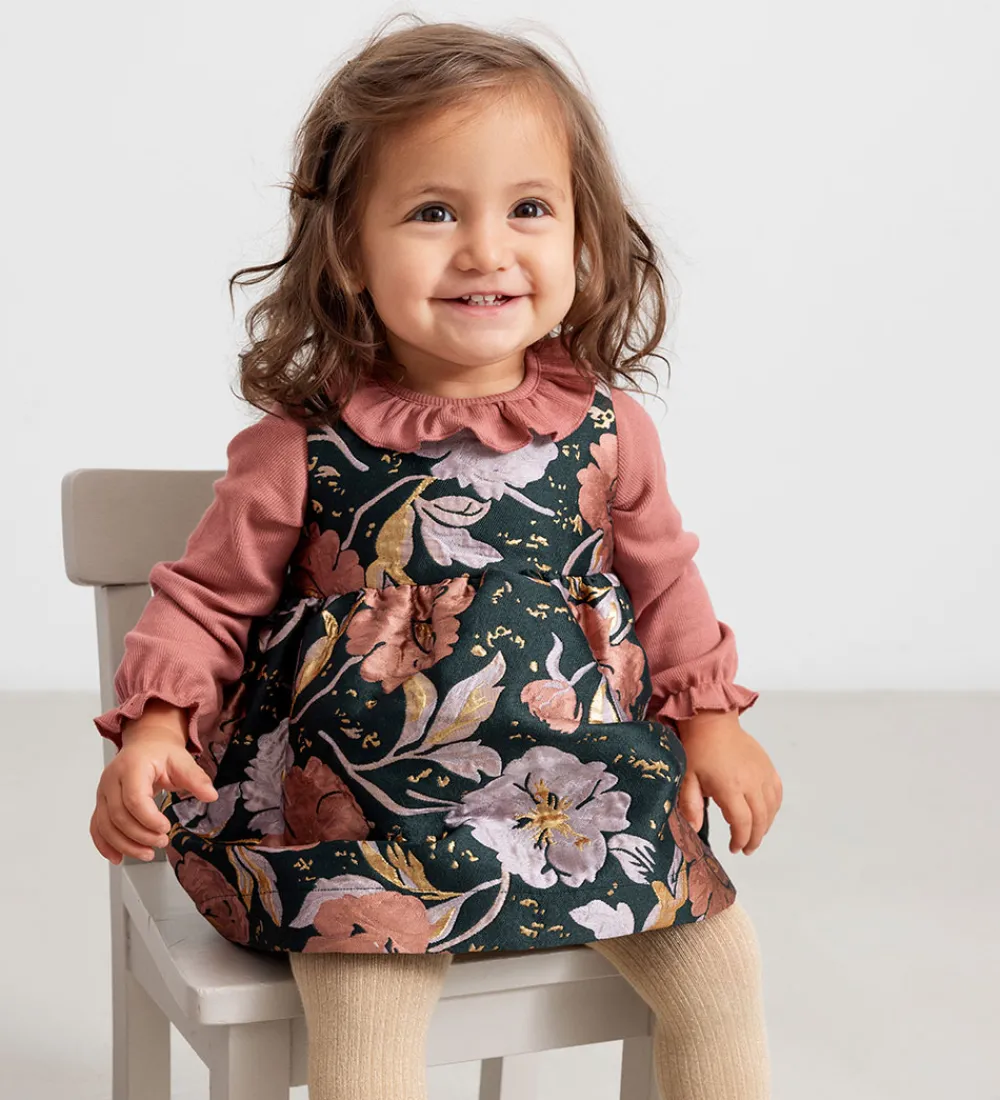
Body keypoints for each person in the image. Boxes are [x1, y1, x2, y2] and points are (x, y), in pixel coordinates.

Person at [89, 15, 782, 1099]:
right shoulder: (303, 445)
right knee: (365, 1015)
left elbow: (666, 586)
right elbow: (206, 600)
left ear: (584, 236)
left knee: (718, 970)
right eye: (432, 212)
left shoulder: (608, 431)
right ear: (348, 250)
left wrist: (711, 722)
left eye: (529, 208)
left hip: (577, 795)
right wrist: (154, 726)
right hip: (361, 813)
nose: (486, 251)